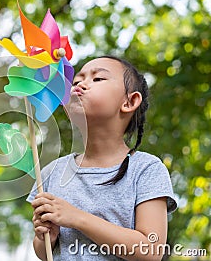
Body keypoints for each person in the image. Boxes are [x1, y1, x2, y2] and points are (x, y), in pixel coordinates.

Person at [27, 56, 177, 261]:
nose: (80, 85)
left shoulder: (146, 169)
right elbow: (45, 253)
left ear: (129, 101)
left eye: (97, 79)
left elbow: (150, 251)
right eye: (77, 80)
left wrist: (77, 218)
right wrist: (46, 237)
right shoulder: (51, 173)